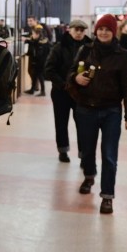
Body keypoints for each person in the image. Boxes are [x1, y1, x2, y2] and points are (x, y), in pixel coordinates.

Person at [67, 14, 127, 215]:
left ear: (114, 32)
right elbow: (70, 74)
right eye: (100, 29)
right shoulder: (85, 50)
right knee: (87, 150)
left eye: (108, 29)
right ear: (96, 31)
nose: (104, 32)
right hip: (86, 108)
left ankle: (107, 196)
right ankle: (89, 176)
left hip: (111, 111)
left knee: (109, 154)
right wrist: (76, 78)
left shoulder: (123, 56)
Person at [44, 19, 90, 163]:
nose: (78, 33)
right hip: (61, 92)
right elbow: (49, 70)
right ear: (69, 30)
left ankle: (84, 154)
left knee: (83, 124)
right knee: (61, 122)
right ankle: (62, 150)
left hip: (81, 93)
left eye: (81, 30)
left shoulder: (90, 48)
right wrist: (64, 84)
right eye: (76, 29)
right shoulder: (59, 47)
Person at [24, 24, 50, 95]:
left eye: (33, 34)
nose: (32, 35)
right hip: (37, 61)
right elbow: (34, 43)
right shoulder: (39, 40)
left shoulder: (42, 42)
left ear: (37, 34)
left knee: (40, 75)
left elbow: (39, 53)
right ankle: (32, 89)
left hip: (40, 62)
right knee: (35, 75)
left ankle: (43, 91)